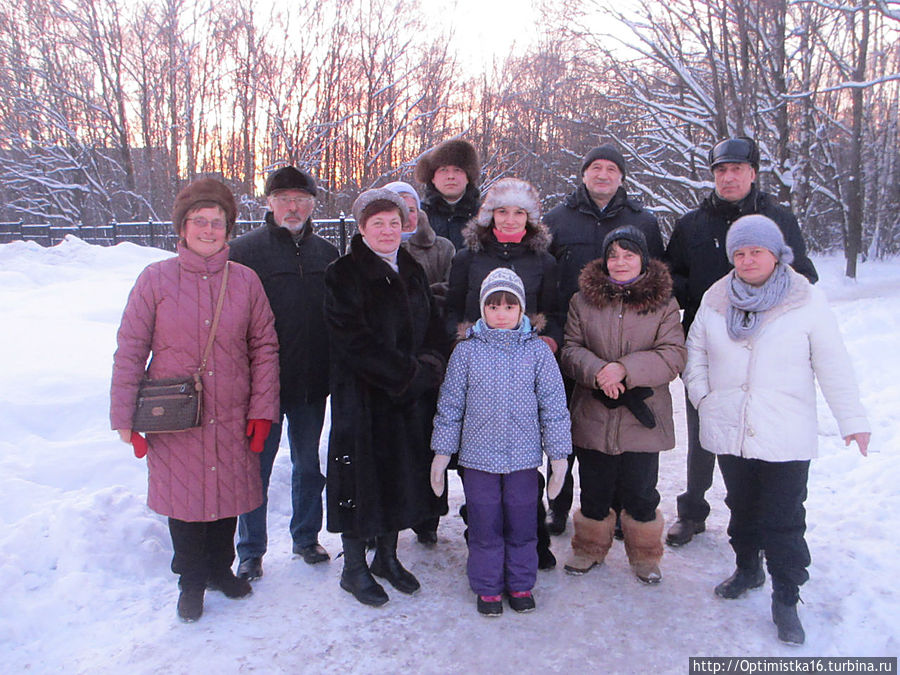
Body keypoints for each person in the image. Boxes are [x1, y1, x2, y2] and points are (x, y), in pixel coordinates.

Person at [683, 214, 869, 645]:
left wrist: (852, 420)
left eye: (757, 251)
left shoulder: (805, 300)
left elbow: (832, 362)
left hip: (784, 430)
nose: (748, 260)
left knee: (785, 518)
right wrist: (703, 397)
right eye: (740, 253)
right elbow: (696, 354)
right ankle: (748, 569)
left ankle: (786, 595)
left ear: (776, 254)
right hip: (730, 425)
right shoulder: (715, 298)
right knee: (741, 507)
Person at [110, 178, 279, 622]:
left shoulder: (245, 281)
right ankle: (190, 581)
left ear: (228, 229)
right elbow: (130, 348)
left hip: (232, 412)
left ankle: (220, 570)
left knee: (226, 496)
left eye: (217, 223)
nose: (208, 230)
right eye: (198, 222)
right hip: (175, 416)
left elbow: (264, 347)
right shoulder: (155, 280)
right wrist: (125, 419)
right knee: (184, 500)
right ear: (182, 229)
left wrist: (263, 409)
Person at [665, 137, 819, 547]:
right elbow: (670, 277)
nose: (728, 177)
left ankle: (754, 520)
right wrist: (699, 289)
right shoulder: (691, 224)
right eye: (720, 170)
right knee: (703, 431)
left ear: (753, 173)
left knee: (755, 432)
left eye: (737, 169)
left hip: (765, 351)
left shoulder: (778, 218)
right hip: (707, 344)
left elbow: (803, 276)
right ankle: (693, 511)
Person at [323, 188, 449, 607]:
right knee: (360, 478)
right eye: (377, 223)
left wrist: (430, 366)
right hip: (362, 398)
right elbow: (351, 339)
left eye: (394, 222)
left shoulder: (410, 267)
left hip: (407, 399)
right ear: (361, 228)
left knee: (398, 475)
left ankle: (388, 558)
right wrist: (405, 375)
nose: (387, 230)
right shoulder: (344, 273)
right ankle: (354, 567)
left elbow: (431, 324)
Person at [430, 268, 571, 616]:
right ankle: (488, 586)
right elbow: (450, 405)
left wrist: (558, 456)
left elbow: (554, 406)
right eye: (493, 306)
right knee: (484, 524)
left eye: (509, 306)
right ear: (482, 309)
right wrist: (441, 452)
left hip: (523, 460)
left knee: (522, 523)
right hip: (478, 460)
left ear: (521, 309)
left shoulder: (537, 353)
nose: (501, 313)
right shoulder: (466, 352)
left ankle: (521, 583)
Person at [544, 144, 665, 536]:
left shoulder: (642, 221)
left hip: (626, 344)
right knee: (563, 429)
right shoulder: (557, 219)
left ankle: (610, 512)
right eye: (595, 167)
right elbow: (544, 276)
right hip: (569, 339)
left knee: (616, 432)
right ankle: (558, 505)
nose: (602, 174)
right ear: (582, 174)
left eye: (611, 168)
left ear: (621, 177)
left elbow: (657, 278)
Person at [227, 166, 339, 579]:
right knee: (256, 466)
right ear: (269, 203)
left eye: (302, 200)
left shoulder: (327, 254)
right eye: (285, 199)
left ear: (313, 205)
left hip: (311, 381)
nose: (294, 208)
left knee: (308, 464)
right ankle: (251, 549)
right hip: (261, 384)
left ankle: (306, 537)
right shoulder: (244, 252)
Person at [444, 176, 561, 568]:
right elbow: (453, 309)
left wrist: (548, 343)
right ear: (489, 215)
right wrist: (463, 343)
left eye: (519, 212)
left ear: (530, 218)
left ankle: (532, 542)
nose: (510, 219)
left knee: (526, 472)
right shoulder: (467, 258)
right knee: (478, 471)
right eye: (502, 211)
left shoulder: (544, 260)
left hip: (528, 365)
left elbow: (555, 312)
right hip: (479, 367)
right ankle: (481, 538)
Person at [560, 226, 685, 584]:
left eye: (628, 254)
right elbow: (570, 349)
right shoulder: (582, 300)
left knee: (641, 492)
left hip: (642, 418)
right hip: (594, 411)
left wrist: (625, 369)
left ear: (643, 259)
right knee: (595, 488)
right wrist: (598, 371)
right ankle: (588, 548)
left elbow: (674, 354)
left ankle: (645, 555)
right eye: (613, 255)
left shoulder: (664, 303)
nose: (620, 262)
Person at [385, 180, 455, 309]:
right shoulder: (365, 250)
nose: (405, 216)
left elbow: (452, 291)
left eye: (411, 210)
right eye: (399, 209)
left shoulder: (443, 249)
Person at [414, 139, 481, 251]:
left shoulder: (483, 216)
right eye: (443, 170)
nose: (451, 176)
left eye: (457, 170)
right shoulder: (418, 215)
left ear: (468, 177)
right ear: (433, 178)